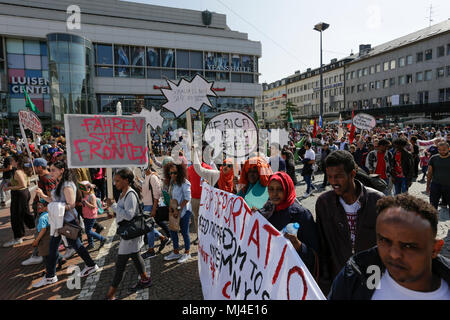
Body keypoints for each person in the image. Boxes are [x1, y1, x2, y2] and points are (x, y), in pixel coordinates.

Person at [329, 194, 450, 300]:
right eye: (385, 240)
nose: (394, 254)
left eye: (408, 246)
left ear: (435, 249)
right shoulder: (357, 276)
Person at [315, 150, 384, 295]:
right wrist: (325, 281)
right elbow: (322, 245)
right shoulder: (324, 203)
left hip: (373, 274)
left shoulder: (377, 201)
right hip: (339, 274)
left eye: (338, 176)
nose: (333, 182)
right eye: (329, 177)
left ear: (352, 174)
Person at [33, 161, 99, 288]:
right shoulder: (60, 183)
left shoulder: (67, 184)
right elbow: (54, 200)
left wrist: (53, 208)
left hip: (65, 221)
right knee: (55, 248)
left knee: (72, 246)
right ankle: (51, 275)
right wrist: (42, 195)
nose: (50, 172)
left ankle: (89, 265)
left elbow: (71, 204)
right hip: (60, 221)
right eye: (50, 170)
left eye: (53, 170)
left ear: (61, 170)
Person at [105, 168, 152, 300]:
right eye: (114, 181)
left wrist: (114, 206)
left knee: (120, 266)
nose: (115, 183)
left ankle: (110, 295)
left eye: (118, 181)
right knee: (136, 257)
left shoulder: (130, 194)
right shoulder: (123, 193)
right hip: (127, 232)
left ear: (126, 180)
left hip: (130, 234)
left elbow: (129, 215)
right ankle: (145, 279)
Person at [261, 172, 319, 277]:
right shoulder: (266, 211)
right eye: (271, 189)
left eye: (279, 189)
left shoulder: (301, 214)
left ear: (287, 189)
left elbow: (315, 255)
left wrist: (299, 246)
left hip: (293, 276)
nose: (274, 194)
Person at [22, 158, 57, 266]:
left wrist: (43, 203)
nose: (33, 169)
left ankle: (38, 256)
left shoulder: (47, 178)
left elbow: (51, 196)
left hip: (45, 211)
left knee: (40, 233)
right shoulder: (43, 177)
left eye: (34, 167)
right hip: (43, 209)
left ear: (40, 167)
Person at [163, 162, 192, 264]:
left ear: (180, 172)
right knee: (173, 231)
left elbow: (187, 198)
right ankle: (175, 252)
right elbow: (171, 196)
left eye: (175, 173)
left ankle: (187, 252)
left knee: (184, 232)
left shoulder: (185, 183)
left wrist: (178, 208)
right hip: (174, 211)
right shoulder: (171, 182)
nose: (172, 175)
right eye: (170, 173)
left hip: (184, 211)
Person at [2, 153, 33, 248]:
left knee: (16, 217)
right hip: (24, 193)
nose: (11, 162)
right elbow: (27, 184)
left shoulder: (18, 172)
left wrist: (9, 188)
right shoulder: (24, 170)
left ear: (17, 161)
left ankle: (18, 237)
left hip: (19, 195)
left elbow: (23, 185)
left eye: (13, 160)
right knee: (25, 213)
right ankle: (36, 226)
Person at [141, 164, 170, 259]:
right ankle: (162, 238)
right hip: (146, 205)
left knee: (149, 228)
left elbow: (157, 193)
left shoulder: (153, 177)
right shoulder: (147, 177)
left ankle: (151, 250)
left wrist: (154, 208)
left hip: (150, 206)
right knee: (148, 227)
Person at [32, 199, 65, 273]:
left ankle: (49, 272)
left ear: (46, 207)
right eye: (38, 205)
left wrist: (36, 240)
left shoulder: (42, 218)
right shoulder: (51, 214)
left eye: (41, 205)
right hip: (52, 236)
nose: (39, 207)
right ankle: (60, 259)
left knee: (46, 256)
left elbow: (43, 230)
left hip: (44, 239)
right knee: (52, 251)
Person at [187, 147, 212, 245]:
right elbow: (188, 183)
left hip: (206, 199)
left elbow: (214, 183)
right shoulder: (189, 169)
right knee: (197, 219)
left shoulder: (208, 168)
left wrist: (208, 182)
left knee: (207, 218)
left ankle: (208, 236)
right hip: (194, 199)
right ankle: (199, 236)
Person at [78, 181, 106, 250]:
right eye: (85, 188)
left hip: (91, 216)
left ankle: (102, 238)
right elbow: (83, 205)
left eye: (88, 188)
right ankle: (91, 243)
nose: (86, 190)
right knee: (88, 229)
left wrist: (86, 202)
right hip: (86, 215)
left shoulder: (92, 196)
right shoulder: (84, 196)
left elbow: (93, 206)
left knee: (88, 231)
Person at [426, 141, 450, 211]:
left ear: (449, 149)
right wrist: (428, 186)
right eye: (439, 149)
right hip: (435, 185)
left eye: (444, 149)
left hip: (449, 186)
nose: (441, 151)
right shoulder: (433, 158)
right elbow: (429, 173)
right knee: (432, 208)